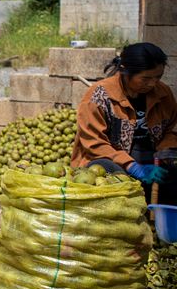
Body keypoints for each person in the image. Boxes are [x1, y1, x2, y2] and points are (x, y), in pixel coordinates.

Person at [72, 42, 176, 205]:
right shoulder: (99, 96)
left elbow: (171, 129)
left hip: (151, 159)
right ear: (126, 73)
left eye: (158, 77)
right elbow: (94, 143)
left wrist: (164, 153)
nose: (153, 83)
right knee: (110, 173)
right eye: (146, 78)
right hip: (109, 159)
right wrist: (132, 166)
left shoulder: (163, 94)